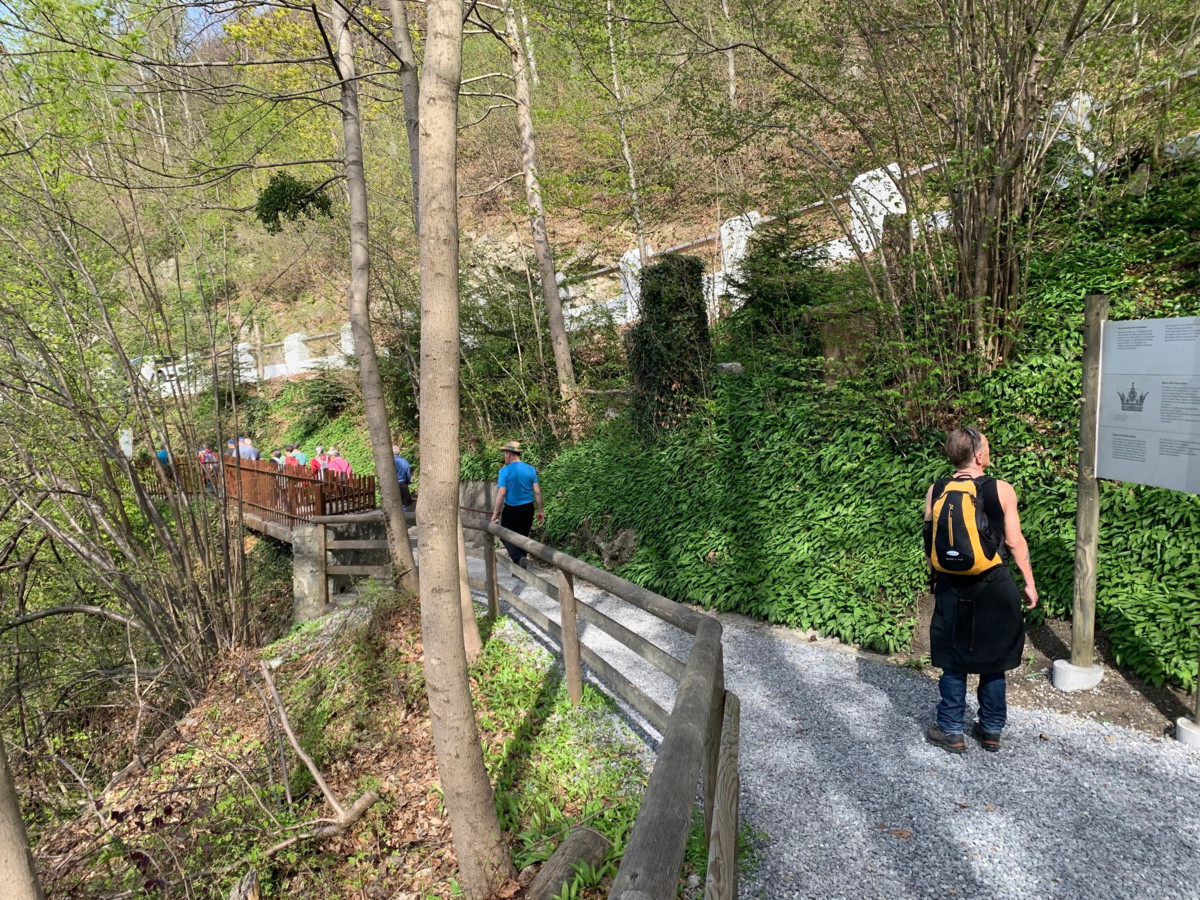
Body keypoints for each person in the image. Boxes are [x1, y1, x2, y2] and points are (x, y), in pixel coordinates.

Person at [924, 427, 1037, 755]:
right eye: (986, 447)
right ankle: (991, 730)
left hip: (950, 584)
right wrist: (1029, 583)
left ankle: (951, 731)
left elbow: (930, 540)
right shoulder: (1000, 489)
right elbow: (1015, 542)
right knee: (994, 659)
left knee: (953, 659)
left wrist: (937, 580)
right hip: (994, 584)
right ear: (978, 455)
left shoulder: (937, 489)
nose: (989, 451)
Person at [490, 441, 544, 568]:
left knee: (504, 535)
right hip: (528, 508)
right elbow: (537, 491)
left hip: (512, 510)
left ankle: (518, 558)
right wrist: (540, 510)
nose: (504, 456)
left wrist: (495, 514)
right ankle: (520, 570)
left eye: (505, 453)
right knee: (522, 537)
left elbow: (501, 493)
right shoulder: (531, 469)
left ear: (509, 454)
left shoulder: (504, 471)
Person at [392, 444, 415, 509]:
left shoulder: (389, 462)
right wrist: (408, 481)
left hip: (392, 484)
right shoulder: (404, 461)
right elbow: (408, 474)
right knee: (405, 503)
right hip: (403, 484)